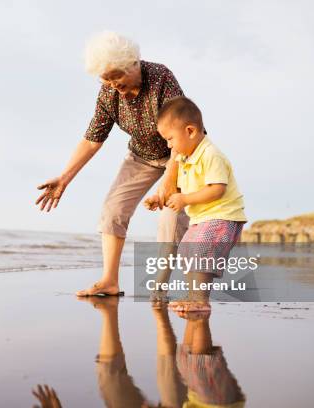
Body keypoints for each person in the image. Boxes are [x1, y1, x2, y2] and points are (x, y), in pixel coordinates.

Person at [35, 31, 189, 296]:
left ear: (133, 63)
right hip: (142, 155)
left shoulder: (161, 77)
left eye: (116, 75)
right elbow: (93, 139)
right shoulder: (108, 93)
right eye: (105, 78)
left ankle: (161, 285)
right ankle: (109, 281)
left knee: (171, 215)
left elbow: (181, 133)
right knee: (113, 210)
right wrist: (64, 178)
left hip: (182, 152)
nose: (112, 83)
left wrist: (170, 181)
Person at [144, 96, 247, 312]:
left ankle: (200, 299)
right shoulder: (186, 159)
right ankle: (194, 296)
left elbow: (217, 189)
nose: (168, 145)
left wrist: (185, 200)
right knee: (187, 251)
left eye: (170, 139)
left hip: (223, 216)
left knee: (200, 251)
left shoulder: (210, 155)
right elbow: (181, 188)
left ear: (190, 131)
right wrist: (159, 198)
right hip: (203, 218)